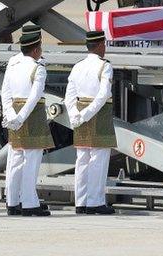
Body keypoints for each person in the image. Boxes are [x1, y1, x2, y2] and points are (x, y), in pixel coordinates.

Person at [1, 33, 54, 217]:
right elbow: (34, 97)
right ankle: (29, 203)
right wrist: (21, 117)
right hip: (31, 116)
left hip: (14, 113)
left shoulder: (13, 65)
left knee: (15, 161)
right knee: (31, 161)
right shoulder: (38, 68)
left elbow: (5, 92)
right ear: (36, 49)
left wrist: (10, 114)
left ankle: (12, 201)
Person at [64, 31, 117, 215]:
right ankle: (95, 201)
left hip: (79, 112)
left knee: (82, 160)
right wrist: (86, 114)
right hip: (97, 114)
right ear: (101, 45)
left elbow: (69, 95)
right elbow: (102, 95)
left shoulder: (77, 66)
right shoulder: (105, 67)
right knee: (98, 161)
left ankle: (81, 201)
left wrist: (74, 115)